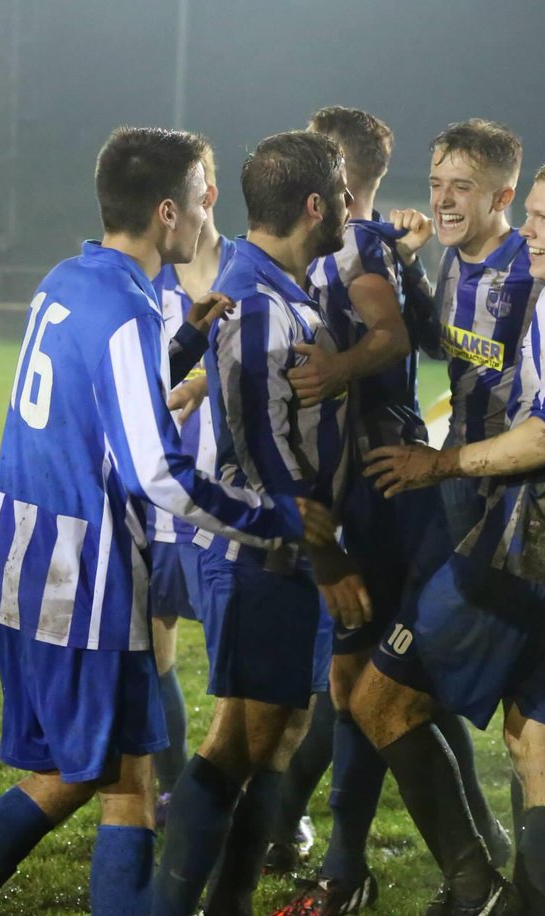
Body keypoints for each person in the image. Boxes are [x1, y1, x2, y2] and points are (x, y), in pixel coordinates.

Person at [0, 126, 326, 916]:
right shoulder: (125, 308)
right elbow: (157, 472)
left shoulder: (68, 278)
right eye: (199, 197)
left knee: (122, 774)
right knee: (93, 778)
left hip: (21, 554)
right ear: (165, 212)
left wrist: (184, 342)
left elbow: (101, 396)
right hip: (80, 577)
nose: (206, 210)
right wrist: (270, 519)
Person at [356, 152, 545, 915]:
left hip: (524, 546)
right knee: (539, 749)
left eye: (543, 218)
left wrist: (442, 464)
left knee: (377, 700)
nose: (529, 232)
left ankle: (473, 880)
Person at [271, 109, 511, 915]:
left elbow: (395, 336)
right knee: (373, 687)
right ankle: (454, 847)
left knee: (359, 684)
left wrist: (338, 367)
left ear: (340, 167)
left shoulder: (356, 243)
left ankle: (342, 868)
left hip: (374, 488)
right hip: (373, 484)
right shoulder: (354, 242)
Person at [152, 129, 367, 916]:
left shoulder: (280, 284)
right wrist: (327, 555)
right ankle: (183, 906)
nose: (350, 206)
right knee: (238, 740)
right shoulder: (258, 301)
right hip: (267, 554)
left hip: (285, 551)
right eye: (343, 194)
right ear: (316, 206)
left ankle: (228, 902)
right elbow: (261, 447)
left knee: (278, 730)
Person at [147, 138, 236, 826]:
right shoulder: (141, 287)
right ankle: (177, 787)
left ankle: (270, 807)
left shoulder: (249, 273)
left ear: (208, 199)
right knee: (153, 642)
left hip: (227, 507)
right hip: (154, 504)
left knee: (245, 674)